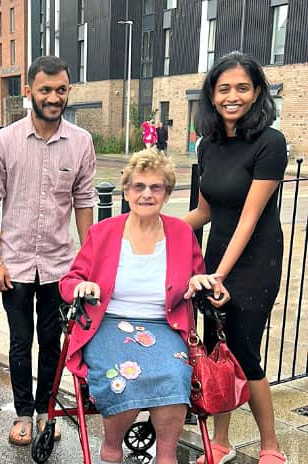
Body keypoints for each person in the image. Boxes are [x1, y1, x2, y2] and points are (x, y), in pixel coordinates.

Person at [59, 148, 229, 464]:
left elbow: (197, 276)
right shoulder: (103, 232)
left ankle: (166, 457)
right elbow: (70, 281)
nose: (147, 194)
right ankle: (112, 447)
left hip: (164, 325)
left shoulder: (180, 233)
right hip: (108, 324)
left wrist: (200, 283)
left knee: (175, 373)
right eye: (139, 186)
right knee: (124, 376)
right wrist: (82, 286)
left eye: (156, 187)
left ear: (166, 193)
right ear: (126, 191)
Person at [0, 55, 97, 446]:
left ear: (68, 91)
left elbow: (84, 203)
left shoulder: (81, 143)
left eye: (61, 90)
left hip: (59, 264)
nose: (54, 97)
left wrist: (89, 260)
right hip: (12, 265)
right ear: (29, 90)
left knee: (51, 342)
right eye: (45, 90)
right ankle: (23, 413)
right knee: (19, 340)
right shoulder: (4, 140)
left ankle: (47, 411)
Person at [183, 51, 288, 464]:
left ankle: (271, 445)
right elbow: (205, 212)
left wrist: (220, 276)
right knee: (215, 349)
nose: (232, 96)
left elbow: (249, 219)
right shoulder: (208, 145)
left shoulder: (271, 143)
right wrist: (151, 227)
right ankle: (221, 439)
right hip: (217, 262)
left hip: (254, 263)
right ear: (211, 95)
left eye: (242, 87)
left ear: (258, 91)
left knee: (244, 349)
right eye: (223, 88)